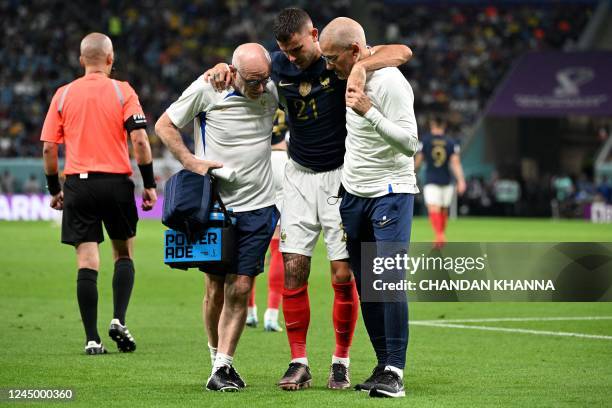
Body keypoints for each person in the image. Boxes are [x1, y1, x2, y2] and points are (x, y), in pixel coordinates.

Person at [204, 7, 412, 391]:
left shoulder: (340, 63)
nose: (293, 57)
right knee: (295, 268)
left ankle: (341, 362)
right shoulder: (279, 67)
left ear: (314, 35)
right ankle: (299, 361)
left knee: (343, 273)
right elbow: (244, 70)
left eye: (298, 48)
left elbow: (401, 52)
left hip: (341, 178)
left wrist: (363, 67)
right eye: (286, 51)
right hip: (298, 175)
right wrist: (223, 66)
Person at [155, 43, 279, 392]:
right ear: (234, 73)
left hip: (259, 206)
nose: (259, 87)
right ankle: (215, 358)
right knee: (214, 289)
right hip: (215, 209)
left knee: (241, 286)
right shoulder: (209, 88)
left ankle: (224, 364)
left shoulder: (272, 89)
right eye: (252, 81)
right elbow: (165, 125)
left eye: (263, 79)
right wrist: (190, 161)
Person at [40, 32, 158, 355]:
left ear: (81, 61)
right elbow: (140, 141)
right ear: (110, 59)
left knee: (86, 262)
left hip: (78, 183)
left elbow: (50, 148)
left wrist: (55, 189)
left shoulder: (63, 95)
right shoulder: (123, 91)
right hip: (116, 183)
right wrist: (148, 183)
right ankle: (118, 318)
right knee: (123, 254)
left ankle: (92, 339)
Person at [320, 17, 419, 398]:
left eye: (334, 59)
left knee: (390, 282)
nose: (329, 66)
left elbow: (410, 144)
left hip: (390, 192)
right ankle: (381, 364)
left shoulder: (391, 83)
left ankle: (395, 370)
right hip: (354, 194)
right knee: (368, 286)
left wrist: (369, 112)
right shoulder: (348, 71)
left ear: (355, 52)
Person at [246, 111, 288, 333]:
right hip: (282, 160)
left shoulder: (257, 103)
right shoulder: (289, 103)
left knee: (253, 242)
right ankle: (271, 314)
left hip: (258, 163)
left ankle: (249, 310)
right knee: (278, 247)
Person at [415, 116, 466, 248]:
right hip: (446, 179)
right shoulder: (451, 142)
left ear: (432, 125)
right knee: (443, 209)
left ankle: (439, 235)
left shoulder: (425, 141)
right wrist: (461, 180)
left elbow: (419, 160)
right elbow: (455, 163)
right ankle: (440, 236)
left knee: (433, 207)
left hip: (431, 179)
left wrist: (412, 172)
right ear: (443, 126)